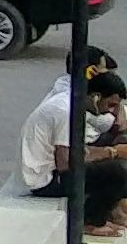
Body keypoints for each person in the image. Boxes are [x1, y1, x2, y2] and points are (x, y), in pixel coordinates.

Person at [20, 55, 127, 228]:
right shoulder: (66, 111)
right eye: (111, 105)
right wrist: (112, 152)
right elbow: (66, 164)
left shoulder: (74, 101)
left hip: (57, 166)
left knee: (114, 147)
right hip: (46, 180)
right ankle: (91, 221)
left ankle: (112, 211)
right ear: (96, 97)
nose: (112, 111)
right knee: (117, 173)